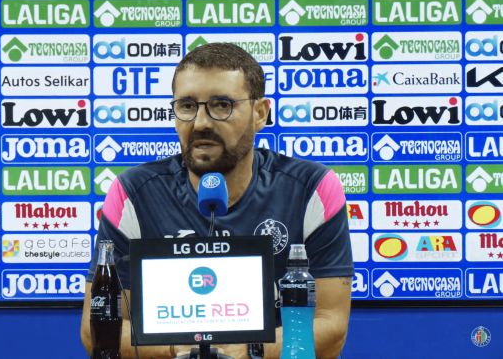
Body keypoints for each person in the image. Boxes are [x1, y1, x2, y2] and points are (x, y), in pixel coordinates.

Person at [81, 43, 354, 359]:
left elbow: (331, 328)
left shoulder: (312, 188)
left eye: (221, 105)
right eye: (186, 106)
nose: (200, 123)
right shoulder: (131, 193)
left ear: (260, 114)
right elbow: (97, 333)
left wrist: (251, 349)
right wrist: (180, 348)